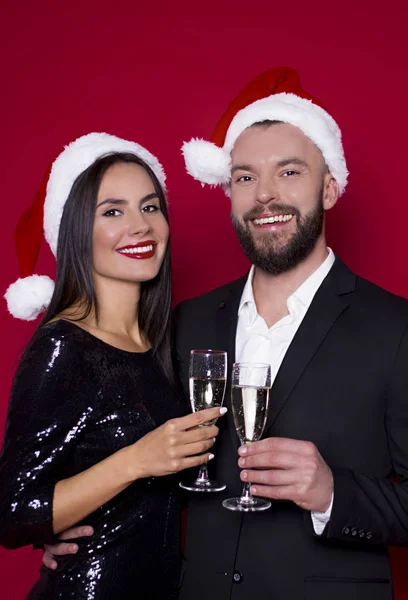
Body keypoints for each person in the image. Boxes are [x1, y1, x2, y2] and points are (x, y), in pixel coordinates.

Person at [43, 67, 408, 600]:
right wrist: (78, 532)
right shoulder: (185, 322)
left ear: (329, 188)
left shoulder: (395, 327)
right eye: (244, 177)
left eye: (289, 173)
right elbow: (146, 464)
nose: (264, 195)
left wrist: (333, 493)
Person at [0, 132, 224, 599]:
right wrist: (136, 461)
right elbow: (12, 511)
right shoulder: (64, 347)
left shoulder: (162, 344)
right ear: (78, 230)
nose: (140, 226)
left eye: (150, 207)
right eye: (112, 212)